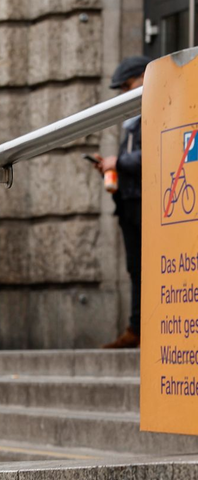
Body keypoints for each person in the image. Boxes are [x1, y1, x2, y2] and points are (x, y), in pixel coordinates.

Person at [95, 55, 148, 349]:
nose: (124, 94)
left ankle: (147, 328)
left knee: (150, 267)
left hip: (149, 202)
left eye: (128, 86)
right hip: (128, 202)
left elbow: (155, 152)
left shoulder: (156, 111)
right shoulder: (132, 123)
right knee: (135, 268)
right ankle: (137, 327)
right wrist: (112, 167)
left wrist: (120, 161)